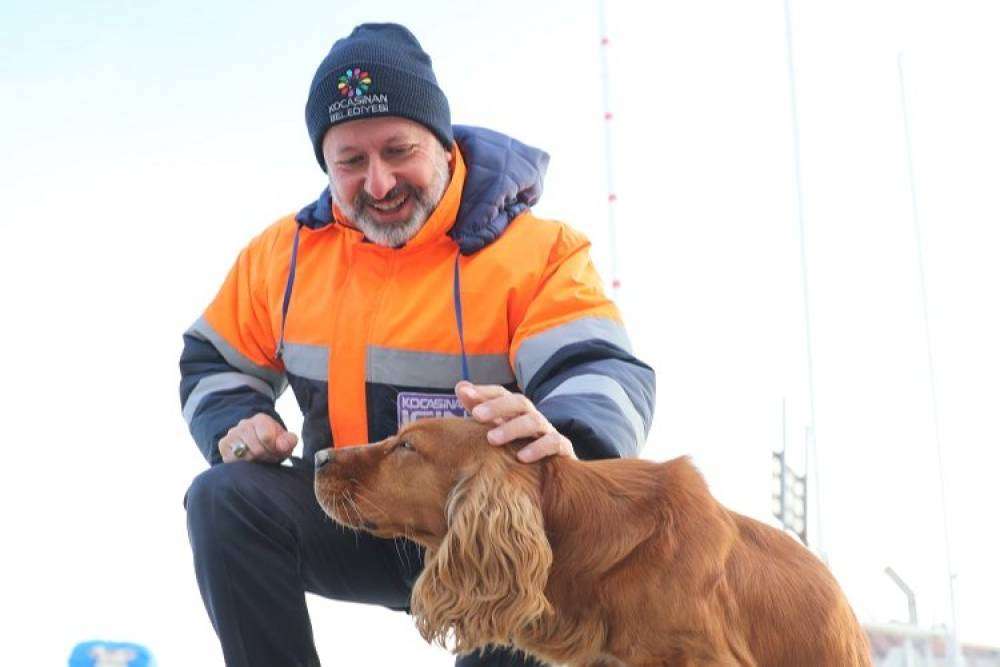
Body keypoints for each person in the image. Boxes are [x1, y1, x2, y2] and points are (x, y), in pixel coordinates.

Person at [179, 22, 655, 667]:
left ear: (444, 145)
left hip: (491, 529)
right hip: (353, 509)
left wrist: (568, 434)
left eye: (398, 151)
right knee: (223, 497)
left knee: (538, 537)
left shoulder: (539, 252)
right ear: (326, 165)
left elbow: (598, 367)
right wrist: (237, 422)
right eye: (351, 161)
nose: (379, 183)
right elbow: (212, 360)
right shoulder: (281, 257)